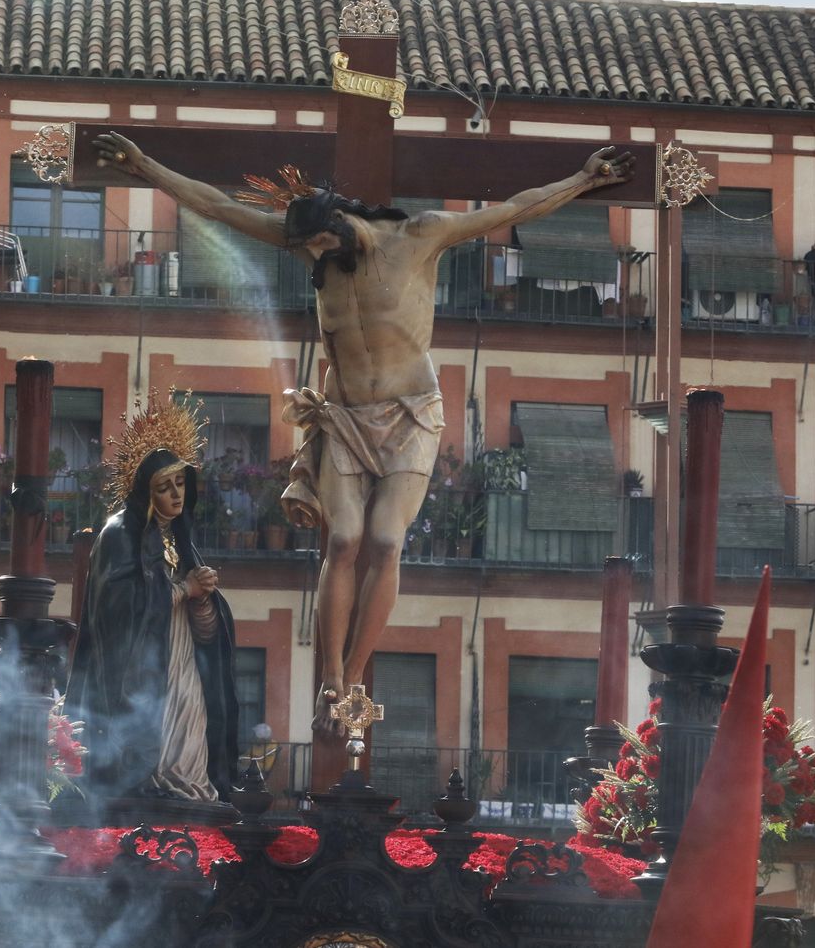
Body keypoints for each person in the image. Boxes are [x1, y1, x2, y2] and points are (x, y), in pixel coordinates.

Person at [94, 131, 633, 736]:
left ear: (342, 222)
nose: (316, 255)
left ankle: (351, 676)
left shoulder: (420, 236)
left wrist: (584, 180)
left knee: (383, 540)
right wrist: (144, 167)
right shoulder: (312, 251)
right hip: (346, 416)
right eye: (309, 247)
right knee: (343, 540)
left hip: (409, 412)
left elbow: (511, 209)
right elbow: (221, 207)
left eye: (323, 241)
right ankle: (331, 681)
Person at [65, 392, 239, 801]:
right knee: (154, 722)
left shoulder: (180, 536)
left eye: (181, 483)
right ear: (146, 491)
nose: (176, 495)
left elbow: (204, 620)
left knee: (191, 718)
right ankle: (150, 781)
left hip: (179, 653)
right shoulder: (118, 534)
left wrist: (205, 600)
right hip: (139, 665)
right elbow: (116, 608)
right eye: (165, 487)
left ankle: (186, 787)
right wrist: (182, 590)